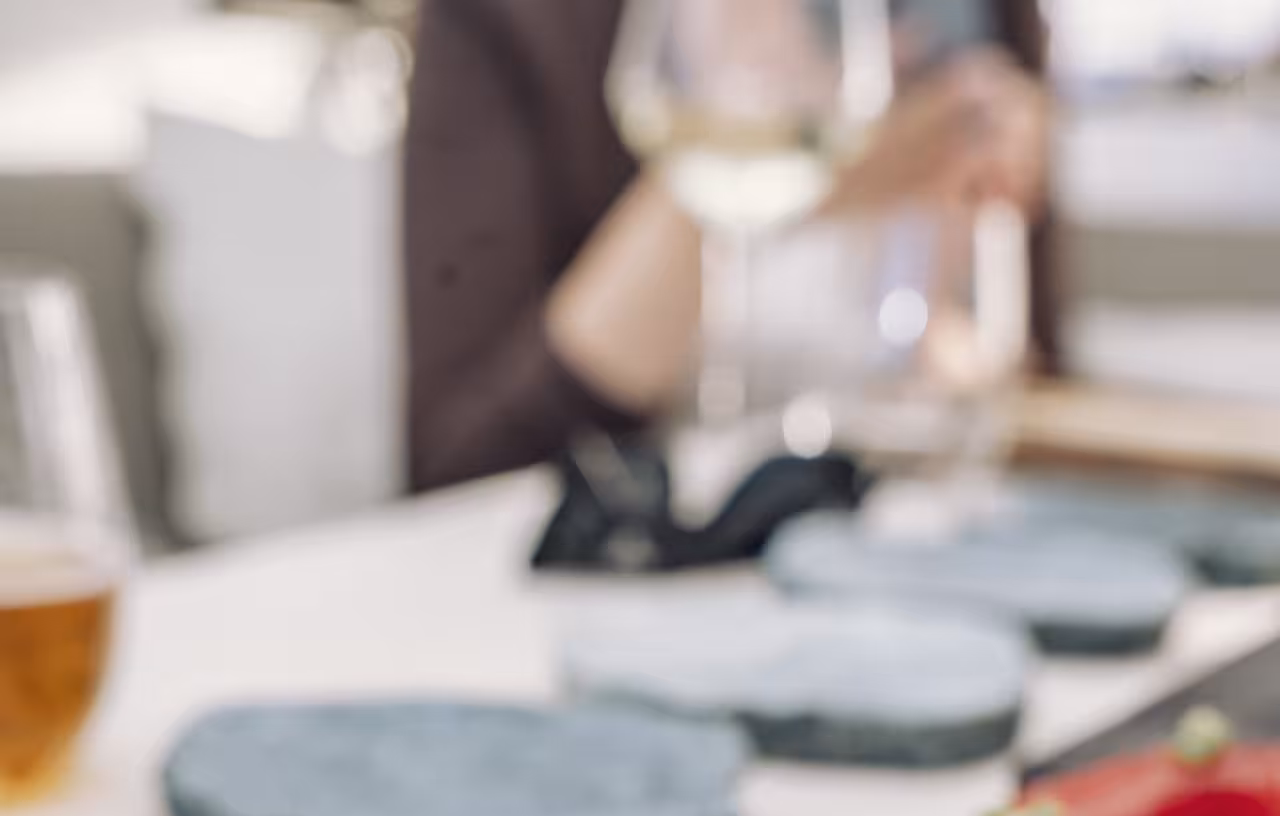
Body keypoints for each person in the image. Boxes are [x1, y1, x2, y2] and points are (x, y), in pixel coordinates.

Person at [403, 0, 1051, 494]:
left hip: (906, 555)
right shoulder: (516, 20)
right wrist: (751, 172)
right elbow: (463, 471)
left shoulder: (975, 25)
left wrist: (970, 323)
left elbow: (1030, 381)